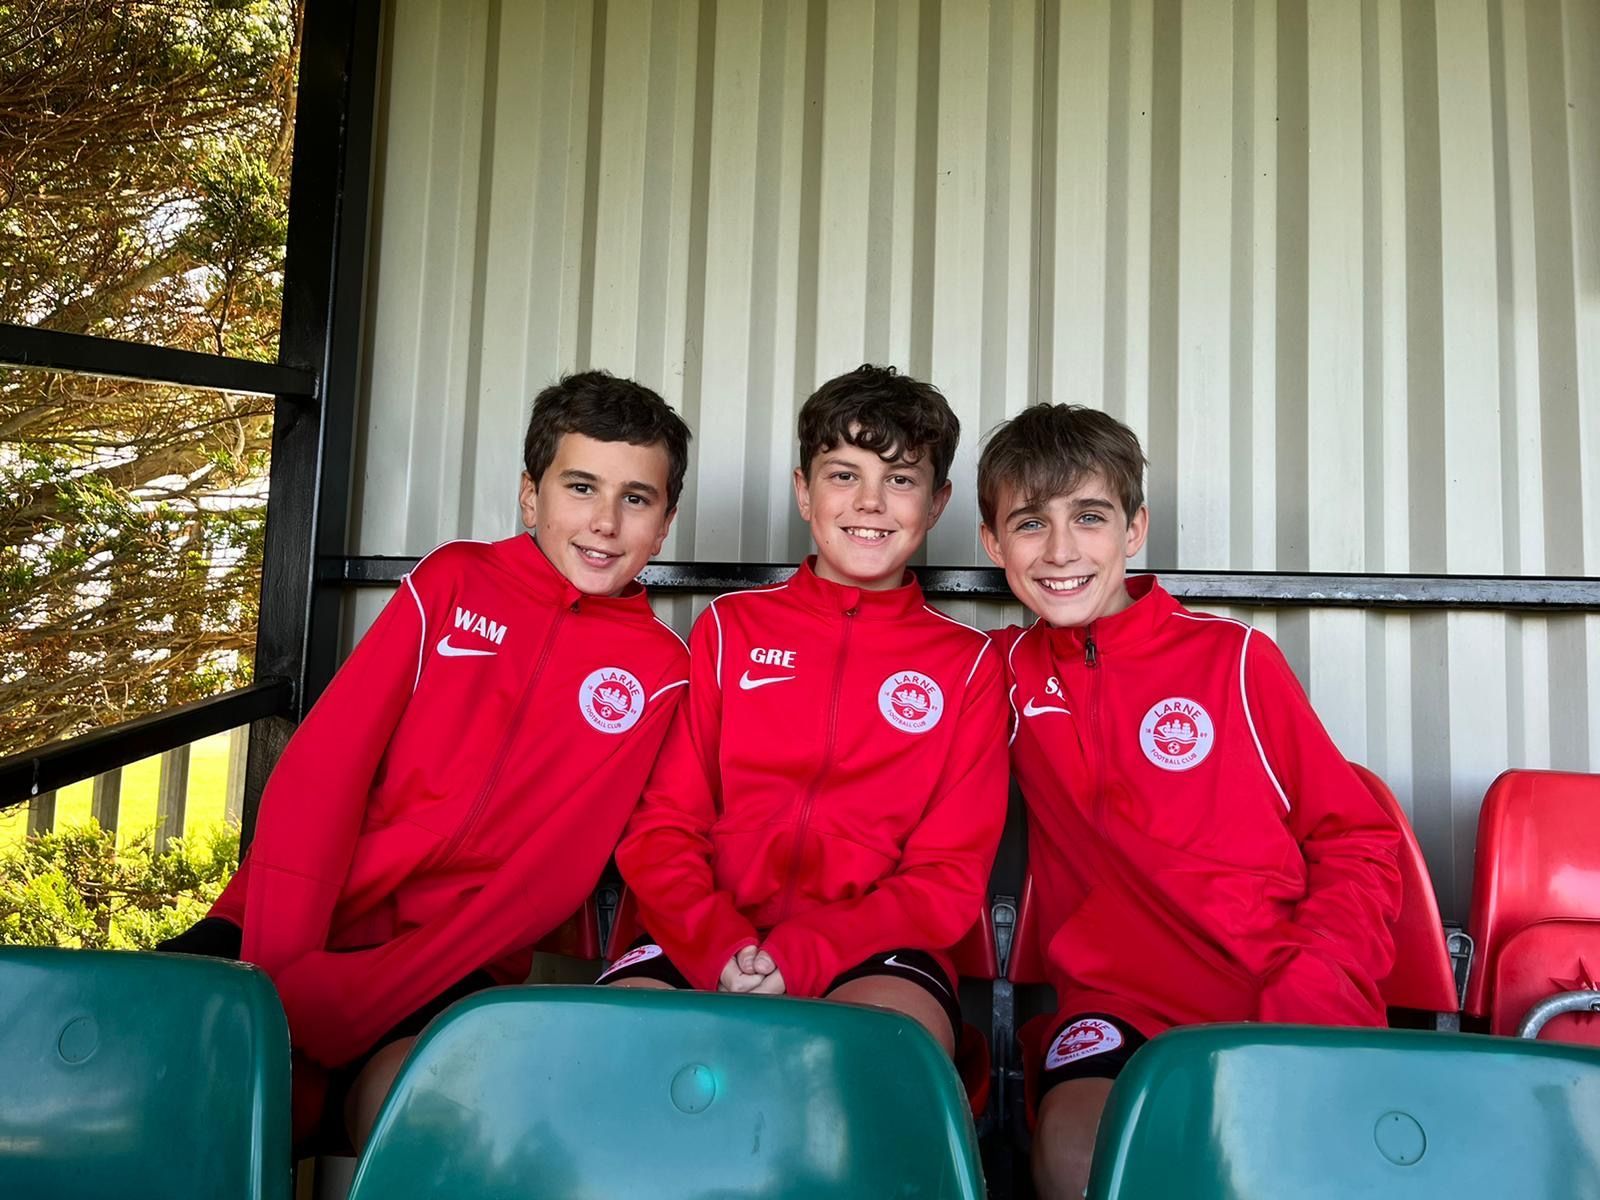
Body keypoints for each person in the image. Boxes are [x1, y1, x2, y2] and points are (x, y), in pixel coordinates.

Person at [158, 370, 693, 1149]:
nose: (605, 522)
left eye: (635, 499)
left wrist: (364, 996)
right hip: (291, 918)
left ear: (666, 522)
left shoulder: (660, 671)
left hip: (450, 965)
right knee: (144, 1053)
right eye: (581, 487)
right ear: (531, 495)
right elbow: (320, 776)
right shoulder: (453, 581)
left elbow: (552, 877)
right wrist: (279, 972)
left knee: (419, 1113)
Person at [976, 402, 1402, 1199]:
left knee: (1273, 1168)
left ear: (1135, 529)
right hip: (1114, 1003)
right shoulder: (996, 673)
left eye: (1089, 517)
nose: (1061, 550)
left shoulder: (1235, 659)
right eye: (1031, 524)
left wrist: (1313, 986)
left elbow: (1358, 841)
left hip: (1273, 989)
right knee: (1077, 1161)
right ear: (993, 544)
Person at [604, 364, 1007, 1055]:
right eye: (843, 475)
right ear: (803, 491)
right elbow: (664, 825)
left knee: (878, 1059)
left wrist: (809, 950)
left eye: (900, 480)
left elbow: (946, 878)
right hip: (705, 932)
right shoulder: (730, 628)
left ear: (937, 503)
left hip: (875, 949)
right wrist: (717, 941)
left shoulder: (968, 664)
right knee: (615, 1052)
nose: (870, 502)